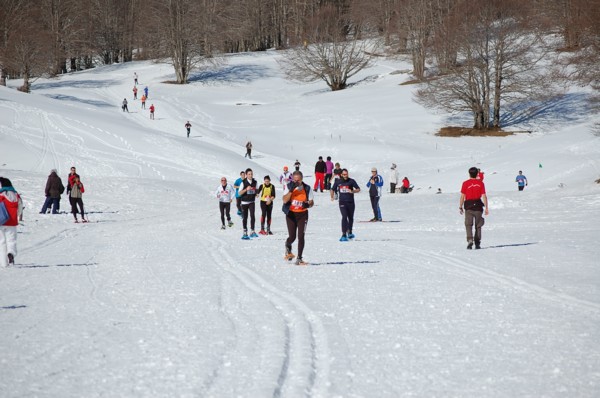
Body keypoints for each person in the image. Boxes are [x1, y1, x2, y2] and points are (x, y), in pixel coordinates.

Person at [283, 171, 314, 265]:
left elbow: (312, 202)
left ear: (302, 179)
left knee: (301, 236)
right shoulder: (289, 186)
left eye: (298, 180)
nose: (296, 182)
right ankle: (288, 245)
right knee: (292, 237)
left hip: (302, 215)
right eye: (294, 180)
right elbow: (284, 200)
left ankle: (299, 258)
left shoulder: (307, 188)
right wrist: (291, 190)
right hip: (291, 214)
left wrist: (308, 204)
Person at [459, 167, 489, 250]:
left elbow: (462, 196)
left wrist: (460, 206)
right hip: (478, 206)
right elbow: (484, 196)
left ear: (469, 174)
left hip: (468, 206)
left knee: (468, 224)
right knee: (478, 225)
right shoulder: (481, 183)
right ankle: (477, 242)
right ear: (477, 174)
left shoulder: (465, 183)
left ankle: (469, 240)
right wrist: (486, 207)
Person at [331, 169, 360, 241]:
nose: (345, 176)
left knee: (350, 218)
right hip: (342, 202)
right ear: (341, 175)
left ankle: (350, 232)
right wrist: (332, 196)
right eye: (344, 174)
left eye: (346, 174)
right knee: (344, 216)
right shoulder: (338, 181)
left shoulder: (351, 181)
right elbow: (332, 189)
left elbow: (358, 189)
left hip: (350, 202)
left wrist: (353, 191)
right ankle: (343, 234)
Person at [0, 177, 23, 267]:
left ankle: (3, 263)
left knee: (1, 242)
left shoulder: (1, 195)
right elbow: (20, 209)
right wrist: (16, 215)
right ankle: (11, 253)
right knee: (11, 240)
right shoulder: (16, 195)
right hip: (12, 222)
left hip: (1, 221)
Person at [238, 168, 258, 239]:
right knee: (245, 217)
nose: (250, 175)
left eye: (251, 174)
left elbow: (256, 190)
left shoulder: (255, 182)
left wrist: (256, 194)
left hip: (252, 202)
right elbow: (239, 193)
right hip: (244, 202)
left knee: (252, 216)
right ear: (246, 175)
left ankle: (252, 231)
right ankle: (245, 231)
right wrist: (246, 189)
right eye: (249, 174)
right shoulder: (243, 182)